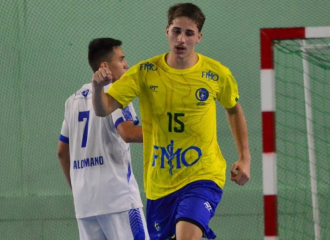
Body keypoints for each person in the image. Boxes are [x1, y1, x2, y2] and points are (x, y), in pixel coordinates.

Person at [91, 3, 251, 240]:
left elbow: (233, 109)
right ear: (167, 31)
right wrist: (97, 88)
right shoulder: (145, 72)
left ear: (199, 37)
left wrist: (245, 157)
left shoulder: (217, 74)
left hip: (203, 175)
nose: (181, 39)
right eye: (176, 31)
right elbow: (103, 109)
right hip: (160, 184)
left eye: (189, 33)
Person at [57, 38, 149, 240]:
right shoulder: (116, 92)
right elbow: (129, 133)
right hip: (117, 199)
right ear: (105, 66)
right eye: (121, 59)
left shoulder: (72, 100)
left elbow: (62, 152)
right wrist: (172, 133)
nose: (126, 65)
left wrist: (79, 190)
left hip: (85, 203)